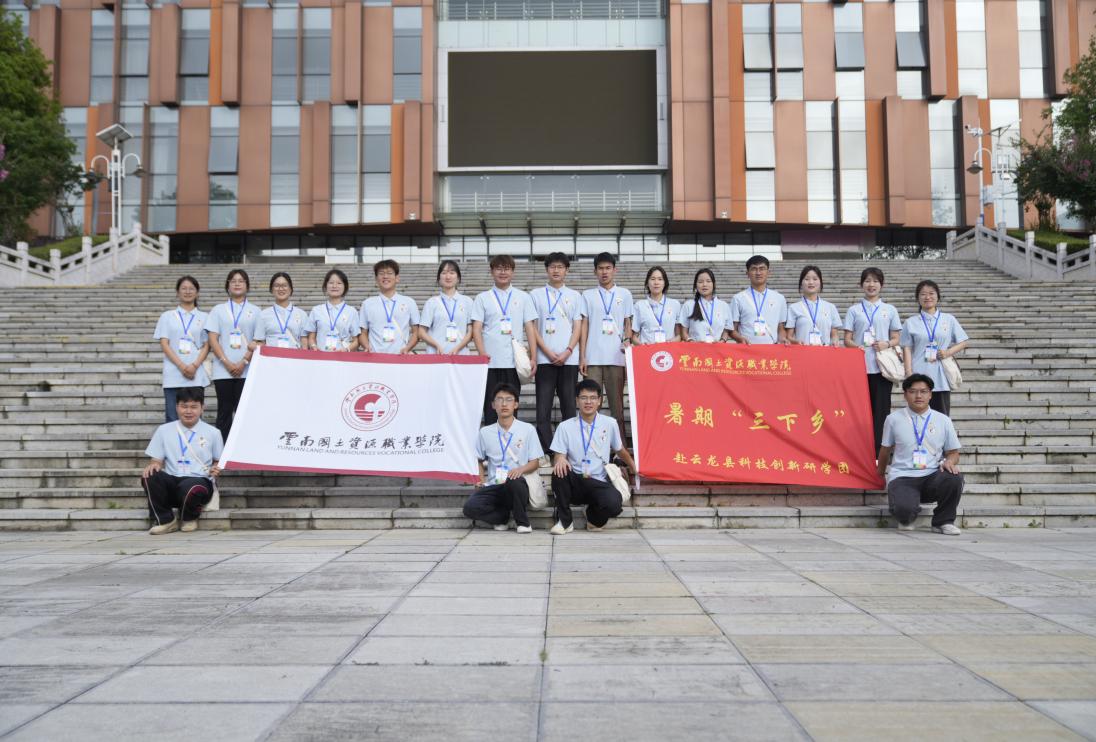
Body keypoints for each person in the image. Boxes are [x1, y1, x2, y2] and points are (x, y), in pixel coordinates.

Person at [877, 374, 964, 535]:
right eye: (913, 391)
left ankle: (943, 522)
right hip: (903, 476)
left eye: (923, 391)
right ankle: (906, 512)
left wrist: (950, 461)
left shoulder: (943, 420)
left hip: (932, 475)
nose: (918, 396)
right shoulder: (893, 419)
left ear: (930, 394)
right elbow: (885, 449)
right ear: (905, 395)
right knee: (904, 513)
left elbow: (953, 453)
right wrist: (880, 475)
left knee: (954, 477)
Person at [549, 379, 636, 535]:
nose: (588, 402)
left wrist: (634, 467)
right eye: (584, 398)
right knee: (558, 472)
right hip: (576, 480)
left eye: (592, 398)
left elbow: (620, 449)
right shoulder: (565, 426)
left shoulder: (610, 423)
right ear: (577, 400)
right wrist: (560, 459)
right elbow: (559, 455)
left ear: (599, 401)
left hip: (599, 481)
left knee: (614, 504)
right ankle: (565, 522)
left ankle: (593, 518)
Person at [140, 386, 223, 535]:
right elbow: (156, 461)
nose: (188, 411)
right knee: (149, 476)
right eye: (184, 406)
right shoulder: (163, 430)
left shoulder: (213, 433)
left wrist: (216, 468)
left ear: (202, 408)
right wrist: (153, 466)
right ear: (177, 407)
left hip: (199, 481)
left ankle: (189, 518)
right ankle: (166, 521)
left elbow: (218, 461)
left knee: (190, 486)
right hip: (173, 481)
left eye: (194, 407)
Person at [462, 383, 544, 533]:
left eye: (509, 399)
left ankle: (523, 523)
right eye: (499, 399)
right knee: (470, 507)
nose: (504, 404)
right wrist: (480, 480)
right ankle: (501, 517)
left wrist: (520, 470)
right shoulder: (485, 432)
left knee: (514, 481)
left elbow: (535, 462)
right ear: (493, 405)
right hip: (495, 484)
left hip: (519, 484)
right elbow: (479, 459)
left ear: (516, 404)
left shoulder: (528, 429)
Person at [471, 255, 538, 424]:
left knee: (512, 405)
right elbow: (476, 328)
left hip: (513, 362)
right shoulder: (482, 298)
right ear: (492, 271)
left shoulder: (523, 297)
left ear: (513, 272)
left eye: (507, 268)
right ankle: (491, 438)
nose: (503, 272)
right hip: (490, 362)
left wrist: (533, 357)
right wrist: (482, 354)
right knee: (490, 407)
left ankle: (511, 437)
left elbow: (530, 328)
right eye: (499, 269)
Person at [843, 267, 902, 453]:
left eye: (875, 281)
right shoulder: (854, 310)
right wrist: (855, 346)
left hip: (882, 368)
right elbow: (847, 339)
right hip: (859, 367)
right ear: (861, 284)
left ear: (881, 285)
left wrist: (886, 343)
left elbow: (896, 338)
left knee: (882, 410)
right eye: (867, 281)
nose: (871, 285)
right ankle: (859, 449)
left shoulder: (889, 310)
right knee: (859, 410)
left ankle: (879, 452)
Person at [531, 252, 584, 451]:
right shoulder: (535, 295)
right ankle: (546, 450)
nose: (556, 270)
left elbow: (577, 327)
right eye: (552, 266)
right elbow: (533, 327)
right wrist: (547, 351)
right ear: (547, 269)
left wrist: (568, 351)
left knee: (569, 407)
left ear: (566, 270)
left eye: (560, 267)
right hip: (545, 359)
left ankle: (567, 449)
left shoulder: (575, 296)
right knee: (543, 408)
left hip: (569, 360)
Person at [580, 252, 633, 442]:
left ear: (614, 270)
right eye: (601, 268)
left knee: (616, 406)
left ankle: (620, 448)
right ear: (595, 271)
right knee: (591, 404)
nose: (604, 272)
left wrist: (627, 342)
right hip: (593, 358)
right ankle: (591, 443)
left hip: (616, 358)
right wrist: (582, 356)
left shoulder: (624, 294)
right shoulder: (587, 295)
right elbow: (584, 326)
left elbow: (628, 323)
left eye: (608, 268)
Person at [206, 269, 260, 442]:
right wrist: (226, 362)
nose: (237, 284)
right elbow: (213, 339)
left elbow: (258, 339)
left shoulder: (256, 311)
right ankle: (221, 450)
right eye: (233, 281)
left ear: (247, 286)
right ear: (228, 286)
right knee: (224, 411)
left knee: (244, 412)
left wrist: (243, 362)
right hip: (223, 371)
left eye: (241, 281)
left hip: (247, 370)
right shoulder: (218, 310)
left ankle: (243, 448)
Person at [901, 280, 969, 416]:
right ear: (918, 298)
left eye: (931, 293)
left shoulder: (948, 319)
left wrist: (948, 352)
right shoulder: (910, 322)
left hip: (941, 376)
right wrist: (909, 373)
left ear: (938, 296)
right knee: (917, 416)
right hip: (919, 374)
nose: (927, 297)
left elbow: (964, 341)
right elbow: (906, 348)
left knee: (941, 416)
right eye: (923, 294)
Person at [153, 275, 210, 423]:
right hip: (173, 374)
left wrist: (194, 366)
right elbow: (164, 344)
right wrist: (182, 366)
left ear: (197, 292)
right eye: (184, 288)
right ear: (177, 292)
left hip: (195, 375)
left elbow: (207, 345)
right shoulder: (167, 316)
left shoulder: (205, 317)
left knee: (195, 419)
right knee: (172, 417)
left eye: (191, 288)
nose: (187, 291)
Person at [360, 259, 420, 354]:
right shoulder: (367, 304)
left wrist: (407, 348)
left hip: (400, 356)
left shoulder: (409, 302)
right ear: (376, 279)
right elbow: (363, 333)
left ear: (397, 278)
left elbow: (416, 331)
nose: (385, 276)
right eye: (381, 273)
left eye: (389, 273)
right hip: (375, 356)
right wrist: (367, 347)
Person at [418, 260, 475, 355]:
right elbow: (421, 332)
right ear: (439, 278)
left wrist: (458, 348)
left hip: (460, 354)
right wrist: (436, 345)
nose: (448, 277)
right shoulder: (431, 302)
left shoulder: (467, 301)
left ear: (458, 278)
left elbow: (471, 331)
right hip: (436, 354)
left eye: (452, 273)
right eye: (444, 273)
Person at [730, 255, 788, 345]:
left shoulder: (779, 298)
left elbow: (781, 328)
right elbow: (732, 329)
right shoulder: (738, 298)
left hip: (772, 349)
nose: (758, 273)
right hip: (747, 349)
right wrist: (740, 339)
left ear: (768, 272)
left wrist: (782, 338)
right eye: (754, 269)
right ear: (747, 273)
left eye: (762, 269)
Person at [786, 265, 842, 346]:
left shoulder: (830, 307)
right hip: (803, 351)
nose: (811, 282)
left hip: (824, 351)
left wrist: (835, 341)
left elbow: (834, 334)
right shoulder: (793, 308)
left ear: (820, 282)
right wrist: (796, 342)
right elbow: (789, 337)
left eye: (815, 279)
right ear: (801, 283)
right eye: (807, 279)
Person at [307, 269, 360, 352]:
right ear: (326, 286)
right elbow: (311, 337)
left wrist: (347, 350)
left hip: (343, 357)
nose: (334, 286)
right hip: (321, 356)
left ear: (345, 287)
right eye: (331, 283)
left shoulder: (351, 311)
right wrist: (313, 346)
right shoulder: (316, 310)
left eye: (339, 283)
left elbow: (356, 341)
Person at [256, 272, 310, 349]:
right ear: (271, 289)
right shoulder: (263, 315)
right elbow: (260, 341)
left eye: (284, 285)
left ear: (290, 289)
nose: (281, 289)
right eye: (276, 286)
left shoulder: (302, 314)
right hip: (271, 356)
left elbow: (304, 340)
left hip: (294, 355)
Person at [678, 267, 732, 342]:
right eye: (700, 282)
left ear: (714, 284)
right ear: (696, 285)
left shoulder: (724, 306)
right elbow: (683, 332)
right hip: (695, 348)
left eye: (708, 281)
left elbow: (726, 330)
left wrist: (722, 341)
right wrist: (691, 342)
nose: (704, 284)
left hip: (718, 347)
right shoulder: (688, 305)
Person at [632, 266, 680, 345]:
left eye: (660, 279)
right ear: (647, 283)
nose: (656, 282)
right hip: (648, 350)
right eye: (653, 279)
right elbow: (634, 336)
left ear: (665, 283)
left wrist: (670, 343)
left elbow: (679, 335)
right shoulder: (639, 306)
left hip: (668, 350)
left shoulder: (675, 304)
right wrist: (642, 345)